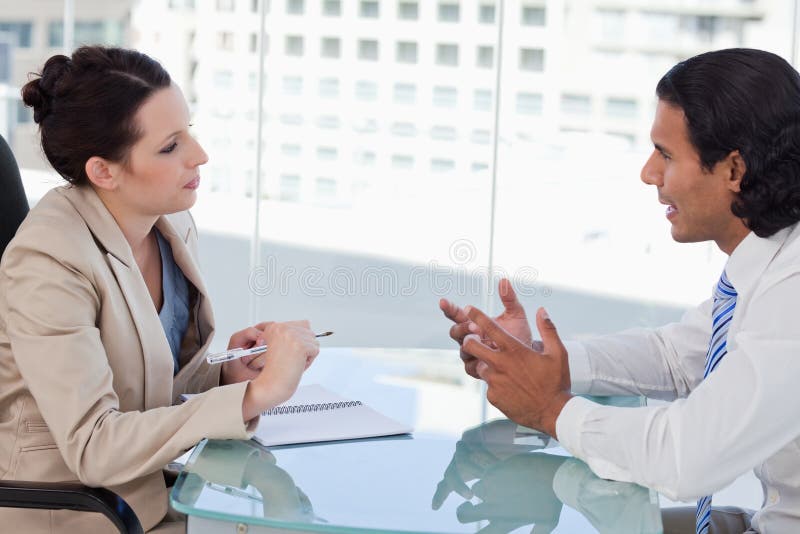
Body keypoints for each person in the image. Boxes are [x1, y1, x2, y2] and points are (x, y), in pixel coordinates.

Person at [441, 48, 800, 534]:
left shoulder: (793, 291)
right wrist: (541, 362)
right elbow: (678, 357)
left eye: (666, 155)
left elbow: (688, 457)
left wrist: (550, 409)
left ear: (734, 170)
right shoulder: (770, 259)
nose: (649, 173)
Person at [0, 46, 320, 533]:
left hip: (161, 492)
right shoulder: (48, 261)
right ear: (103, 172)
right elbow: (94, 446)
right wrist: (256, 395)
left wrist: (226, 377)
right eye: (170, 147)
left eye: (188, 131)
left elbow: (146, 391)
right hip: (81, 514)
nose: (199, 155)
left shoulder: (168, 223)